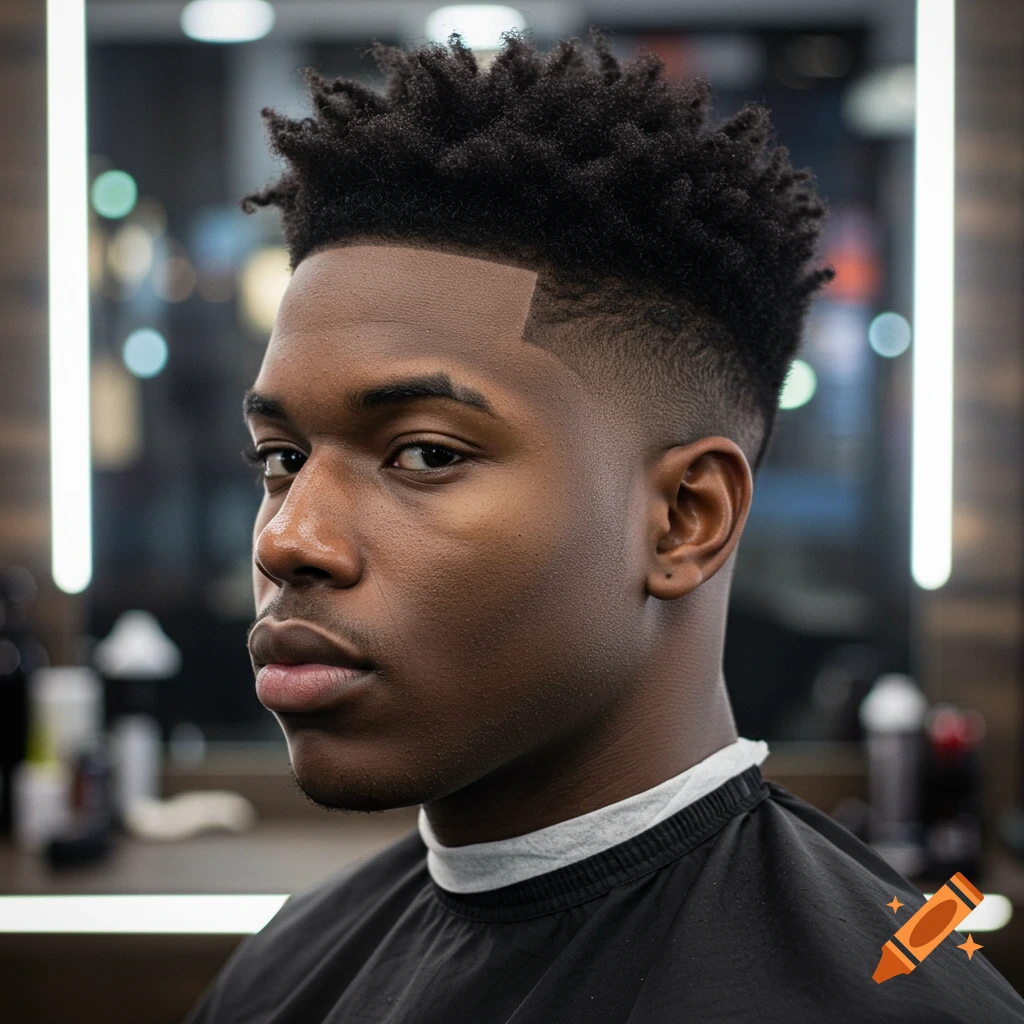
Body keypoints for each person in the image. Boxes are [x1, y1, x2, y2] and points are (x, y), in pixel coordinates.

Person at [184, 30, 1024, 1023]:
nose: (288, 538)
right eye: (281, 460)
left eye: (425, 454)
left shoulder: (885, 1001)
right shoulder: (285, 969)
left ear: (682, 519)